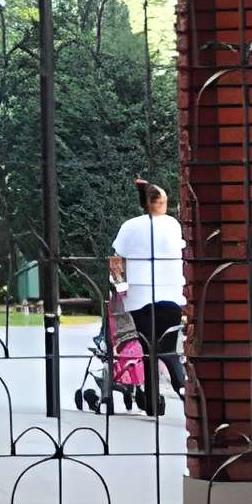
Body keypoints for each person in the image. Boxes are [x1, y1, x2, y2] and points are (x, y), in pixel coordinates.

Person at [107, 179, 189, 417]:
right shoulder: (174, 225)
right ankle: (183, 389)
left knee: (147, 347)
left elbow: (116, 261)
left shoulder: (130, 226)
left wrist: (120, 283)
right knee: (168, 347)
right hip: (172, 292)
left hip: (140, 295)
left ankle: (153, 403)